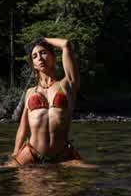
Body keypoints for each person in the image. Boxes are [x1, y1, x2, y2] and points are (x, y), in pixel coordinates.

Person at [9, 37, 92, 167]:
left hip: (63, 154)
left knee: (96, 171)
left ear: (53, 57)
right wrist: (15, 152)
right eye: (35, 56)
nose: (40, 58)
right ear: (34, 64)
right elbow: (23, 128)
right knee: (3, 171)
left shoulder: (67, 85)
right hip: (31, 153)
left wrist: (44, 39)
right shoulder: (30, 92)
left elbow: (66, 44)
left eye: (43, 53)